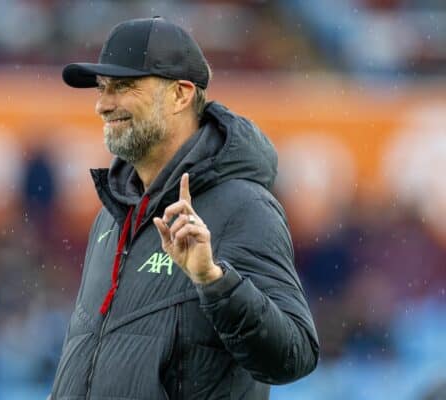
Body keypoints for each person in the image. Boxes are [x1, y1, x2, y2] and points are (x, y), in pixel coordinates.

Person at [50, 17, 319, 400]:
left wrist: (214, 281)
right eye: (102, 88)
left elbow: (294, 355)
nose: (102, 105)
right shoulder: (112, 213)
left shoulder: (244, 207)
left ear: (181, 95)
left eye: (123, 87)